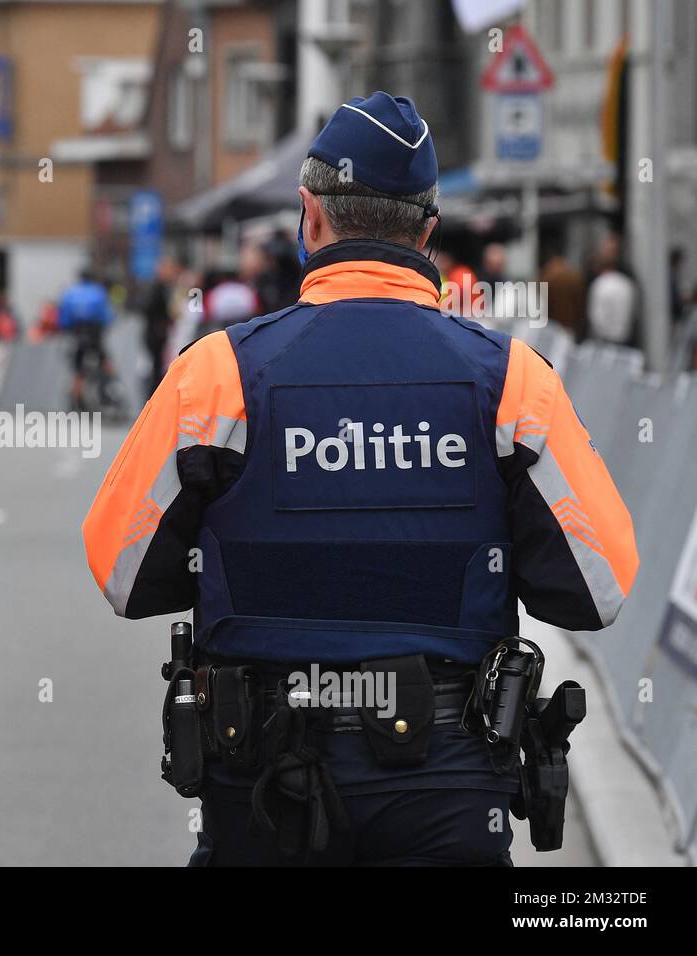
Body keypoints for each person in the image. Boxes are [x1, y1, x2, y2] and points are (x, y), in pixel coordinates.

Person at [82, 92, 638, 866]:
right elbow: (597, 585)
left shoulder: (217, 373)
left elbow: (122, 570)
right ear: (429, 232)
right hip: (446, 784)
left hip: (262, 777)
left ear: (309, 217)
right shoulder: (513, 381)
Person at [57, 268, 116, 411]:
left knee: (78, 369)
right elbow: (108, 315)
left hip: (77, 332)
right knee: (104, 360)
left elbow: (64, 318)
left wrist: (67, 329)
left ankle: (76, 400)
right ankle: (107, 390)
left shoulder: (70, 292)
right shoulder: (98, 291)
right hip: (95, 332)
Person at [586, 233, 637, 345]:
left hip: (609, 338)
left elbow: (596, 317)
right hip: (620, 336)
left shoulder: (604, 282)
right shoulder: (624, 281)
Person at [140, 255, 179, 396]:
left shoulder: (162, 287)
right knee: (158, 366)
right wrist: (161, 324)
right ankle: (155, 395)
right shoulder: (158, 288)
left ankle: (156, 394)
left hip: (156, 332)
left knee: (158, 365)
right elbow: (151, 308)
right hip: (155, 334)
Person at [539, 244, 586, 337]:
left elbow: (541, 305)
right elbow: (580, 304)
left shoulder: (545, 277)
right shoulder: (574, 277)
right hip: (569, 326)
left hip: (550, 325)